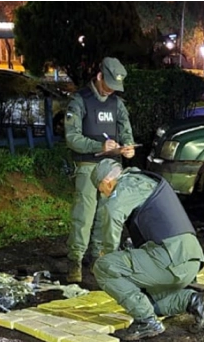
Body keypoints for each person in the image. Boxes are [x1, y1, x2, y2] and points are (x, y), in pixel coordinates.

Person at [90, 159, 204, 341]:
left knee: (104, 267)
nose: (104, 196)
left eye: (102, 191)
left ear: (107, 182)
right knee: (149, 301)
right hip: (189, 261)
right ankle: (194, 301)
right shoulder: (146, 181)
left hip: (169, 259)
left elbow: (112, 213)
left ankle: (146, 322)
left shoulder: (128, 184)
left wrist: (110, 253)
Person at [64, 57, 136, 283]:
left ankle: (97, 259)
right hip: (87, 165)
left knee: (106, 215)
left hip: (112, 168)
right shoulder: (79, 101)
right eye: (109, 85)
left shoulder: (117, 104)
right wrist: (99, 146)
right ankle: (75, 260)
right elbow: (72, 138)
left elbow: (126, 132)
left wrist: (129, 148)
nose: (111, 91)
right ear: (99, 77)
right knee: (84, 215)